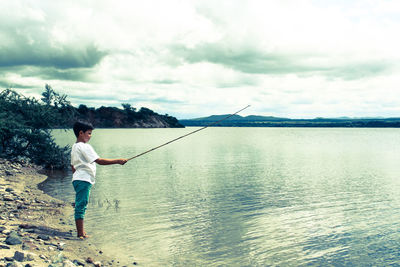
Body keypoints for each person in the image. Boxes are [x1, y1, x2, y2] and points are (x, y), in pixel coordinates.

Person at [71, 121, 127, 239]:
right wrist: (118, 161)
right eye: (89, 133)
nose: (90, 136)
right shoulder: (85, 146)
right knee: (81, 205)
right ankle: (80, 233)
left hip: (77, 179)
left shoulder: (75, 146)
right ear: (81, 133)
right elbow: (99, 161)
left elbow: (73, 166)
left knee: (81, 204)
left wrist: (77, 177)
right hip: (84, 180)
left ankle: (81, 232)